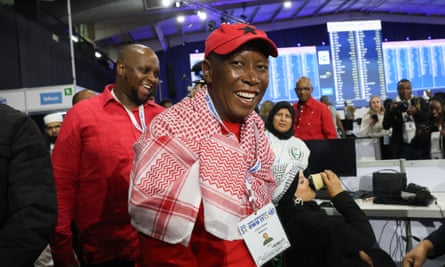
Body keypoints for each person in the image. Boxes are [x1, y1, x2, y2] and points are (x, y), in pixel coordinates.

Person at [128, 23, 278, 267]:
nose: (252, 78)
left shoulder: (255, 128)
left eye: (261, 67)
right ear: (208, 71)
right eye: (238, 64)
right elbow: (159, 240)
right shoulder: (171, 129)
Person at [50, 44, 165, 267]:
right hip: (105, 251)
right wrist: (62, 250)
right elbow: (62, 184)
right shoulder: (82, 115)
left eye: (156, 74)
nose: (152, 78)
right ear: (121, 68)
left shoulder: (164, 119)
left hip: (159, 247)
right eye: (144, 71)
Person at [273, 166, 383, 267]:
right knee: (381, 257)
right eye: (302, 182)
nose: (308, 181)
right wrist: (339, 195)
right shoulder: (310, 221)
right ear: (292, 197)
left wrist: (354, 249)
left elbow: (338, 239)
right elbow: (366, 237)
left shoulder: (290, 211)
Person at [0, 103, 57, 266]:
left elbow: (35, 210)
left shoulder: (15, 126)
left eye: (57, 127)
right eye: (51, 128)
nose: (54, 131)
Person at [383, 79, 429, 159]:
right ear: (397, 90)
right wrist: (391, 111)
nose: (405, 91)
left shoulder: (419, 102)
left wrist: (416, 112)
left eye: (408, 88)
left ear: (411, 89)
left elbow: (427, 118)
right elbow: (386, 126)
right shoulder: (392, 104)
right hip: (401, 145)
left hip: (418, 144)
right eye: (402, 89)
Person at [265, 101, 310, 168]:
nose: (283, 119)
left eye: (287, 116)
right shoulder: (260, 139)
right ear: (272, 117)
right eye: (279, 115)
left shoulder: (300, 145)